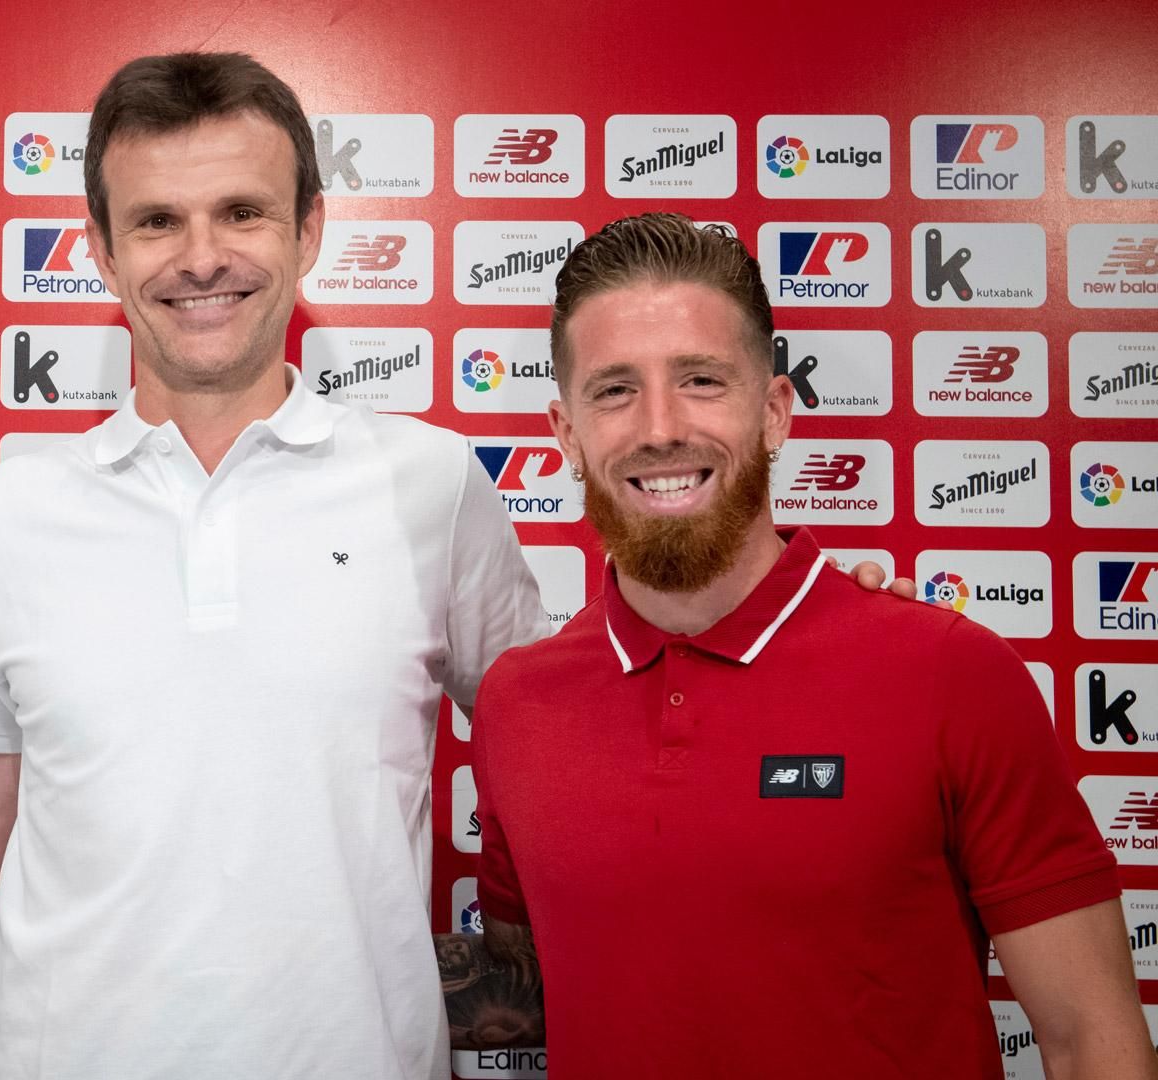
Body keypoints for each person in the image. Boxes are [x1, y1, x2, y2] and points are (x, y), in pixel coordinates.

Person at [0, 52, 550, 1079]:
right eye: (158, 221)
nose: (201, 257)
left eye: (242, 212)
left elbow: (568, 749)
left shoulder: (432, 485)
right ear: (100, 248)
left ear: (308, 230)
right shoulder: (5, 515)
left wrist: (816, 643)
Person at [466, 212, 1155, 1076]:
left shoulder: (950, 671)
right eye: (614, 390)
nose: (660, 426)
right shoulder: (516, 702)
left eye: (702, 380)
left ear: (777, 411)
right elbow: (522, 990)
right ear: (566, 435)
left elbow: (1092, 1037)